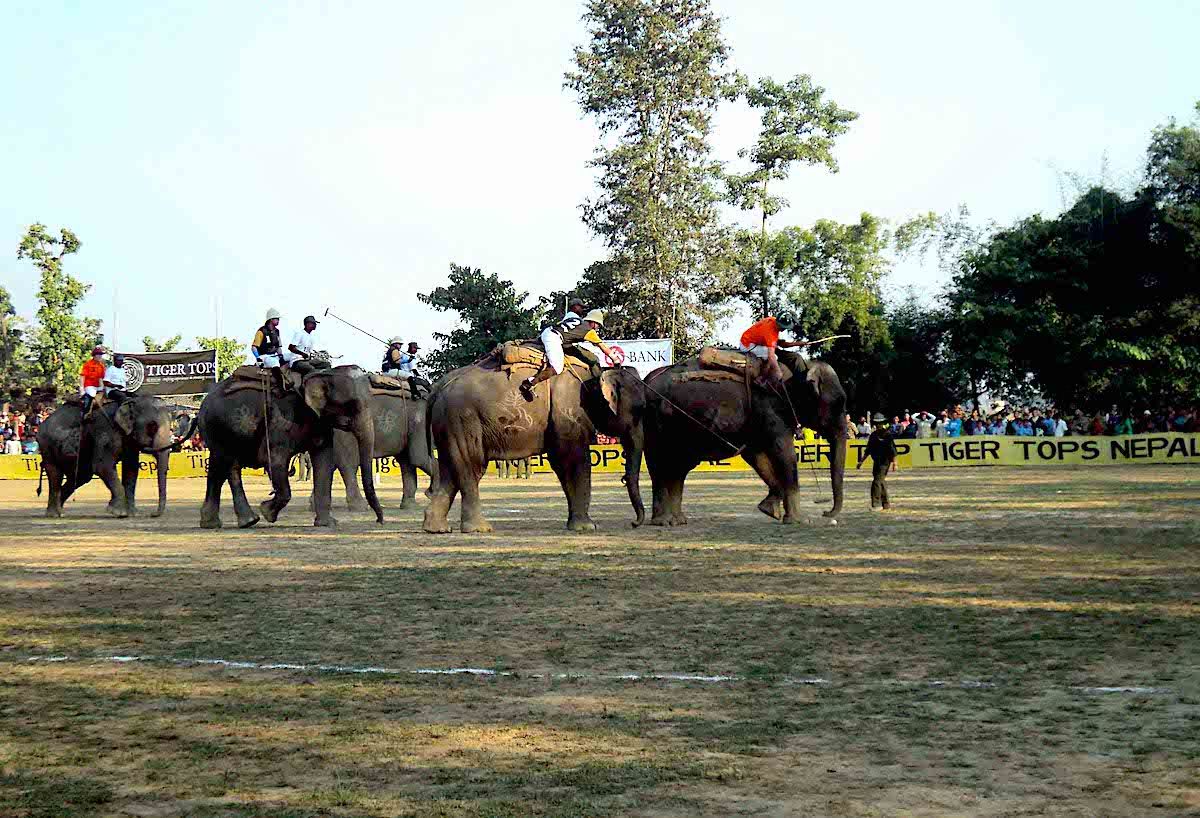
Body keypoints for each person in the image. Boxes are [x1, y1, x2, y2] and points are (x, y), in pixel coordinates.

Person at [522, 309, 617, 399]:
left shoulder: (574, 318)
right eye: (598, 325)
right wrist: (615, 360)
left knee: (576, 352)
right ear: (593, 322)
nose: (597, 327)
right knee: (557, 368)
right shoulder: (589, 331)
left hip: (549, 332)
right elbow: (602, 347)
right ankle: (529, 383)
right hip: (554, 338)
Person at [738, 316, 806, 383]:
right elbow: (771, 356)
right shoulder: (771, 333)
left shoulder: (773, 320)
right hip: (748, 345)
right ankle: (760, 379)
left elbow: (780, 343)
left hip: (751, 340)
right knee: (773, 357)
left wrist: (797, 343)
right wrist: (778, 371)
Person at [858, 412, 897, 511]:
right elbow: (868, 450)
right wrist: (861, 462)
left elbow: (893, 450)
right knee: (881, 481)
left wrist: (894, 463)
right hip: (876, 461)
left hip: (885, 462)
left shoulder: (887, 435)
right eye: (876, 423)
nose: (878, 425)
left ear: (883, 423)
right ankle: (886, 504)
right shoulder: (873, 435)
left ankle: (876, 504)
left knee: (876, 482)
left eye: (880, 423)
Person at [252, 308, 285, 388]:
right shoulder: (261, 331)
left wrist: (281, 356)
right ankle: (281, 387)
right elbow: (254, 347)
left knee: (292, 356)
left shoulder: (277, 331)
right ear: (271, 319)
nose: (278, 320)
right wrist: (258, 358)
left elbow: (278, 347)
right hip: (265, 356)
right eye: (276, 319)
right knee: (275, 363)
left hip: (275, 355)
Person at [79, 347, 107, 413]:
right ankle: (85, 413)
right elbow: (83, 376)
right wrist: (81, 388)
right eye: (98, 354)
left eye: (101, 354)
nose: (100, 356)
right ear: (94, 355)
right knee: (91, 394)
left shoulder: (101, 366)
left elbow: (101, 378)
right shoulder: (88, 364)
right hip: (89, 386)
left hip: (98, 386)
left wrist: (103, 388)